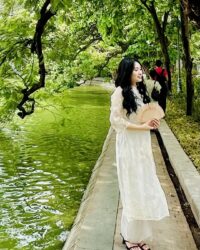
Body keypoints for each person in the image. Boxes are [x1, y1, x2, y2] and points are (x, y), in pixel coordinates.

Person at [110, 58, 170, 250]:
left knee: (143, 187)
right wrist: (141, 127)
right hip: (129, 145)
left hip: (142, 145)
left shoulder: (140, 91)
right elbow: (116, 122)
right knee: (132, 188)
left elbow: (145, 115)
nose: (140, 72)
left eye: (140, 69)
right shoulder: (119, 93)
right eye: (136, 69)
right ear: (126, 71)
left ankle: (138, 235)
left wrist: (151, 123)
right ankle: (129, 237)